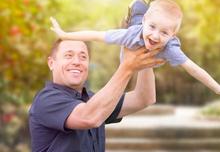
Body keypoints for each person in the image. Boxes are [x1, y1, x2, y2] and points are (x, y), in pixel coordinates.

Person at [50, 0, 220, 95]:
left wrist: (217, 87)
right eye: (153, 27)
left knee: (149, 26)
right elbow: (97, 35)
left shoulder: (171, 48)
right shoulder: (133, 33)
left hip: (145, 24)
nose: (155, 36)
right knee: (137, 11)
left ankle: (155, 4)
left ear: (173, 35)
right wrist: (65, 35)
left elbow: (193, 68)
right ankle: (145, 6)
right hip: (138, 23)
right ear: (148, 22)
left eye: (164, 32)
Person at [29, 38, 164, 152]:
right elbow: (89, 117)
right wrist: (127, 67)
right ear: (51, 63)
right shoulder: (46, 100)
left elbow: (144, 98)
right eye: (68, 55)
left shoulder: (92, 100)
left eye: (83, 57)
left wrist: (145, 50)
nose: (77, 62)